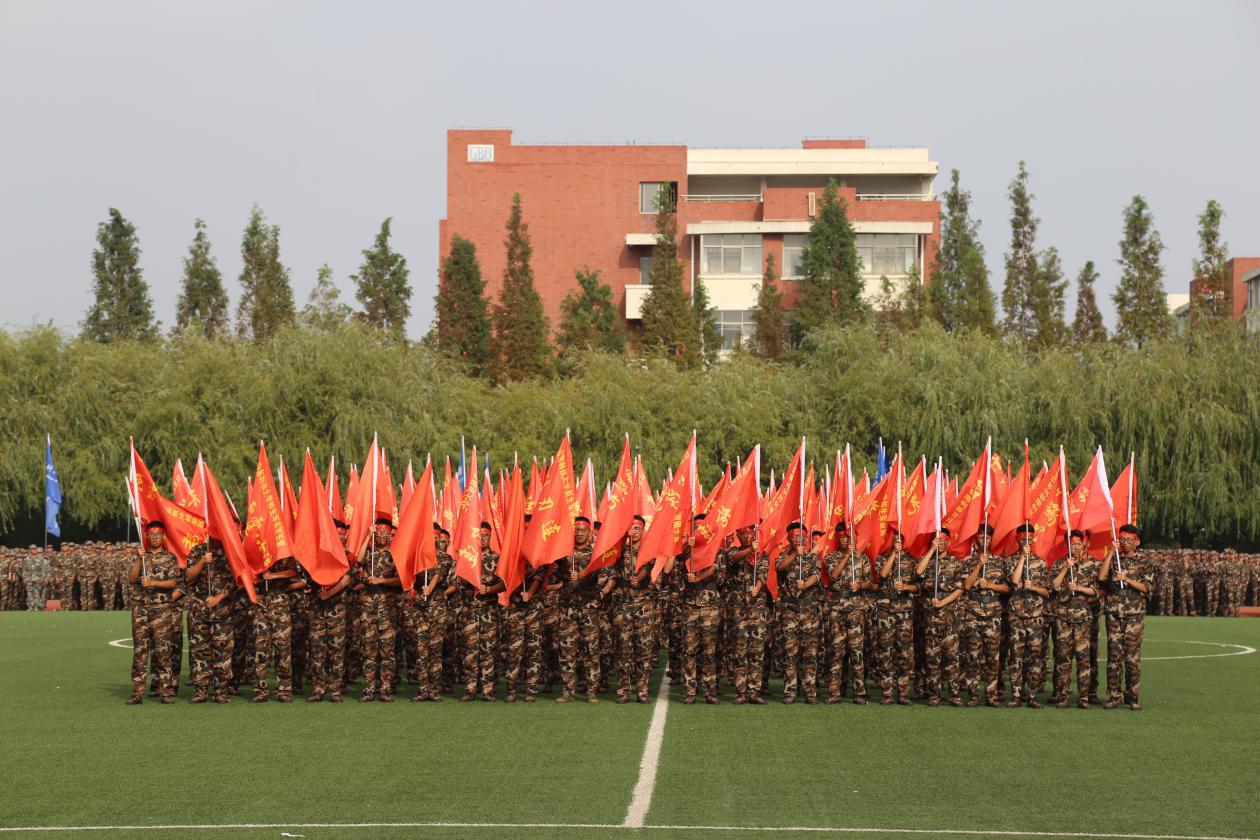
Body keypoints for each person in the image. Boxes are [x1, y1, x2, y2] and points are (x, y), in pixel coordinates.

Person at [127, 522, 183, 704]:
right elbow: (132, 579)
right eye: (151, 534)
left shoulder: (170, 558)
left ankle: (165, 692)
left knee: (162, 651)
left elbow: (173, 582)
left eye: (158, 534)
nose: (155, 537)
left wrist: (153, 583)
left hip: (161, 610)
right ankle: (137, 693)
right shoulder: (140, 556)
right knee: (140, 651)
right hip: (141, 609)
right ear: (147, 537)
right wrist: (139, 559)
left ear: (163, 537)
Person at [1101, 524, 1153, 710]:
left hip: (1134, 615)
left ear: (1137, 542)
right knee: (1114, 657)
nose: (1124, 543)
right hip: (1114, 614)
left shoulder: (1145, 561)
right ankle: (1114, 695)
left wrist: (1128, 580)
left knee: (1132, 658)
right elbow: (1101, 577)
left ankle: (1133, 696)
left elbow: (1146, 588)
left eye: (1128, 540)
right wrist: (1110, 552)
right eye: (1122, 539)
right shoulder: (1115, 558)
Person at [554, 516, 604, 703]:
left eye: (583, 530)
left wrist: (582, 574)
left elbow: (599, 574)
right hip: (568, 608)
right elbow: (556, 573)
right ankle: (568, 691)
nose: (580, 533)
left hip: (588, 608)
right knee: (566, 650)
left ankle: (591, 691)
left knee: (591, 650)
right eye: (577, 529)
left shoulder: (595, 554)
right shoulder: (565, 554)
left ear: (589, 533)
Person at [1050, 531, 1101, 708]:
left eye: (1079, 544)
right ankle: (1063, 696)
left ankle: (1083, 698)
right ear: (1067, 545)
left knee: (1083, 659)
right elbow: (1053, 586)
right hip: (1063, 618)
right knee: (1063, 659)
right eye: (1073, 544)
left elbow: (1095, 591)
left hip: (1082, 619)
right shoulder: (1059, 564)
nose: (1076, 547)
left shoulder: (1090, 565)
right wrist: (1065, 568)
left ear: (1084, 544)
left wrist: (1079, 588)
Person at [673, 514, 721, 705]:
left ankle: (709, 692)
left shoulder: (715, 550)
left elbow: (717, 571)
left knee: (709, 652)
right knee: (689, 651)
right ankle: (689, 692)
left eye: (702, 527)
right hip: (690, 607)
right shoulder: (686, 551)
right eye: (696, 527)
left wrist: (699, 577)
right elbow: (671, 565)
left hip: (710, 608)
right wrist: (687, 546)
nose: (699, 530)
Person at [915, 530, 965, 707]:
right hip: (931, 616)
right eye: (937, 540)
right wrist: (931, 550)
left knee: (952, 657)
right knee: (932, 657)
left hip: (949, 616)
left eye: (943, 540)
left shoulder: (956, 563)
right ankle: (934, 694)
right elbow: (918, 572)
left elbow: (960, 589)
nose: (940, 543)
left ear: (948, 542)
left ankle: (953, 694)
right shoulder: (928, 561)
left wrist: (942, 602)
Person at [186, 537, 237, 704]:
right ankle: (201, 690)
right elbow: (188, 576)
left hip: (222, 611)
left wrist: (218, 598)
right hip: (199, 612)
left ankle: (221, 691)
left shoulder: (230, 550)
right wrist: (202, 561)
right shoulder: (197, 551)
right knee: (199, 652)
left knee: (223, 653)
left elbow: (236, 580)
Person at [775, 522, 821, 704]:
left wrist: (806, 584)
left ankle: (810, 692)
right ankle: (790, 691)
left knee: (809, 653)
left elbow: (817, 575)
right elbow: (779, 568)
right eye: (794, 536)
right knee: (790, 652)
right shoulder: (783, 556)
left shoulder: (812, 557)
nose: (797, 539)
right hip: (790, 611)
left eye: (800, 536)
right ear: (788, 538)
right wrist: (795, 554)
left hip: (808, 610)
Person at [1004, 524, 1050, 708]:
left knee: (1035, 657)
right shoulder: (1010, 560)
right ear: (1018, 539)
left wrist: (1034, 587)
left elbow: (1047, 591)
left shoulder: (1041, 563)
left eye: (1029, 539)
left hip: (1035, 617)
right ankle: (1016, 695)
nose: (1026, 541)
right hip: (1016, 616)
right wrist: (1023, 557)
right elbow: (1014, 581)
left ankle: (1032, 695)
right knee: (1015, 656)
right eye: (1023, 538)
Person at [612, 515, 656, 704]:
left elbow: (649, 567)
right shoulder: (621, 549)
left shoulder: (649, 549)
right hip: (624, 605)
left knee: (644, 650)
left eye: (637, 528)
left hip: (643, 605)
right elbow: (612, 561)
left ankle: (642, 690)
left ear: (643, 530)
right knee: (624, 649)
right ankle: (623, 690)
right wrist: (624, 537)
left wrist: (638, 577)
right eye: (631, 528)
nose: (634, 531)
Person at [358, 518, 403, 702]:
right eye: (379, 533)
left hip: (388, 610)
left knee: (387, 652)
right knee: (369, 650)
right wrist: (368, 536)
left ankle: (385, 689)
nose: (382, 536)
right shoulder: (370, 552)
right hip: (369, 608)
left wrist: (382, 580)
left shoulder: (396, 554)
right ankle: (369, 689)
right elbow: (358, 559)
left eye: (385, 533)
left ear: (391, 535)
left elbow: (401, 580)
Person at [308, 520, 352, 703]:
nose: (338, 536)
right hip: (317, 610)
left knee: (336, 651)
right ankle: (318, 690)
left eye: (341, 533)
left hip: (336, 610)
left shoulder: (347, 555)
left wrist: (329, 593)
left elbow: (346, 580)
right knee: (317, 651)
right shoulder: (316, 554)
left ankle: (335, 690)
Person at [411, 526, 455, 702]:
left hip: (437, 608)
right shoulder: (419, 558)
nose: (434, 540)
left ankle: (434, 689)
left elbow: (439, 573)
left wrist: (430, 588)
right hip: (420, 609)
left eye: (436, 537)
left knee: (436, 650)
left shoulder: (446, 558)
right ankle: (423, 689)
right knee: (422, 649)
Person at [251, 548, 299, 703]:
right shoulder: (255, 550)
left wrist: (274, 575)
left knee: (283, 650)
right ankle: (261, 690)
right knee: (260, 650)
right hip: (260, 604)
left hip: (280, 605)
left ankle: (284, 690)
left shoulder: (284, 552)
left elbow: (293, 571)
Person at [461, 522, 502, 701]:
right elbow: (458, 582)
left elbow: (504, 584)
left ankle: (487, 690)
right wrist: (468, 575)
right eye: (480, 536)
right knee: (470, 651)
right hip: (470, 610)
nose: (483, 539)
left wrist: (490, 589)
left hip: (489, 611)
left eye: (485, 536)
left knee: (488, 651)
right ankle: (470, 690)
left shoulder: (496, 558)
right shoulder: (467, 556)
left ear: (490, 537)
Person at [875, 532, 918, 705]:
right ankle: (887, 692)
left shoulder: (911, 561)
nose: (896, 542)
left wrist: (907, 587)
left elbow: (918, 586)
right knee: (885, 652)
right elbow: (882, 575)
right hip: (885, 610)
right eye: (894, 540)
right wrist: (893, 554)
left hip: (904, 611)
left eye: (899, 540)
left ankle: (903, 692)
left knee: (904, 653)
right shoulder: (882, 558)